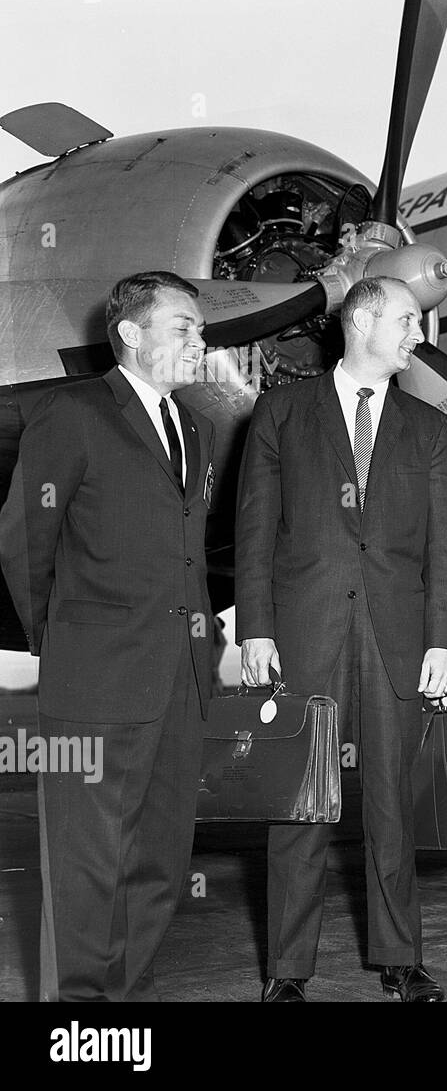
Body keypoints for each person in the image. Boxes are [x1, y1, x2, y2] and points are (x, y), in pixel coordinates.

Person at [235, 276, 447, 1002]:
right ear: (362, 321)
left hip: (398, 638)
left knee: (393, 802)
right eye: (406, 321)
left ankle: (401, 958)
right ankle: (287, 970)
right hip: (305, 635)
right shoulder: (280, 413)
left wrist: (443, 641)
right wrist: (257, 629)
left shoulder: (429, 428)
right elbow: (252, 534)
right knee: (299, 804)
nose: (417, 336)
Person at [0, 271, 213, 1001]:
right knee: (86, 865)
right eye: (184, 327)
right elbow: (24, 537)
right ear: (131, 332)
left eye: (201, 328)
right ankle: (79, 1024)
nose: (200, 340)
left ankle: (123, 1005)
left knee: (157, 859)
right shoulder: (73, 411)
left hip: (181, 680)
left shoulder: (196, 429)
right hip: (94, 678)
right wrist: (56, 638)